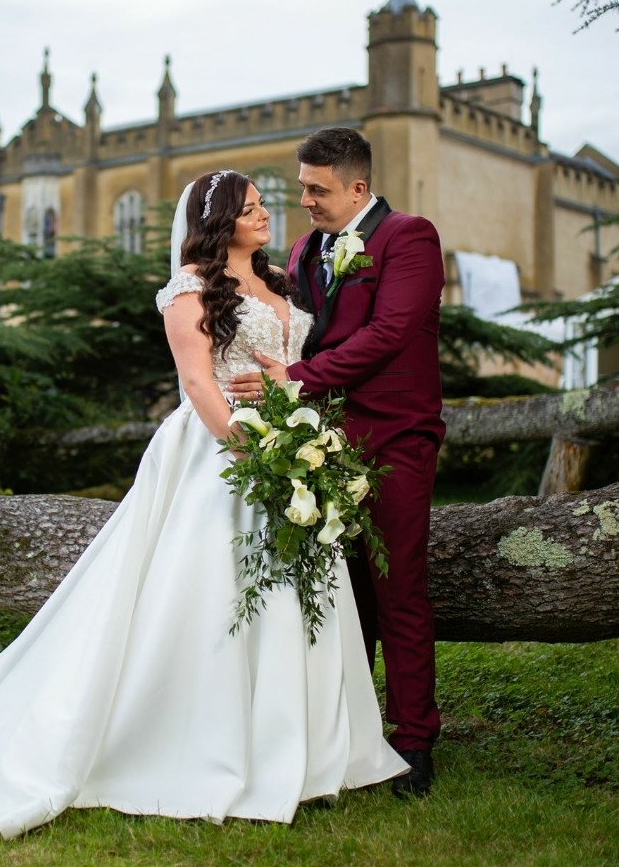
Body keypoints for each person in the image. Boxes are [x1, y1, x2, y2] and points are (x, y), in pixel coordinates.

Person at [0, 169, 407, 840]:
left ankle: (310, 748)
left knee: (299, 592)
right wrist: (258, 453)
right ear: (220, 221)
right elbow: (199, 384)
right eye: (251, 209)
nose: (265, 216)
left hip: (296, 445)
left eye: (262, 206)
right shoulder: (188, 292)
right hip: (221, 453)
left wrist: (305, 445)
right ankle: (205, 742)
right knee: (213, 593)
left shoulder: (280, 283)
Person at [229, 130, 446, 797]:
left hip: (398, 436)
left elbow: (389, 334)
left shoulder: (410, 238)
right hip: (324, 439)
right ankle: (347, 733)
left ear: (358, 188)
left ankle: (414, 741)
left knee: (398, 586)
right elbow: (298, 325)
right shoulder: (304, 248)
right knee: (339, 590)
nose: (305, 200)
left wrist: (297, 379)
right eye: (301, 187)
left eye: (317, 190)